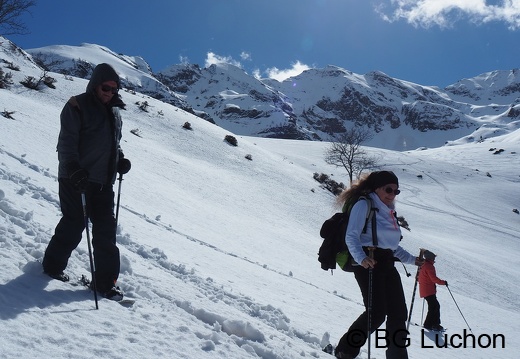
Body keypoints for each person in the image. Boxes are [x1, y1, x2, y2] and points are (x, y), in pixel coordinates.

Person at [42, 63, 131, 301]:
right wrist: (73, 169)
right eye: (106, 87)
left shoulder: (114, 113)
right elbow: (66, 143)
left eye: (115, 89)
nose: (110, 92)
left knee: (106, 231)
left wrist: (120, 160)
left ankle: (105, 282)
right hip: (76, 179)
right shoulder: (76, 106)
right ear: (95, 84)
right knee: (74, 223)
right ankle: (52, 265)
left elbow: (113, 144)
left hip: (103, 182)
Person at [333, 171, 422, 359]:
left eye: (396, 191)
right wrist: (361, 258)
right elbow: (352, 236)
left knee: (398, 314)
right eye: (388, 189)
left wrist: (413, 260)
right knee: (376, 313)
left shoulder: (388, 211)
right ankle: (345, 351)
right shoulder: (364, 204)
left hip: (387, 263)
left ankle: (397, 356)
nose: (392, 194)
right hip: (368, 263)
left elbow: (391, 246)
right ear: (377, 188)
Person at [418, 250, 447, 331]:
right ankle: (431, 324)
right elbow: (433, 279)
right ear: (431, 258)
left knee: (434, 306)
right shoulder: (429, 266)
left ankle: (432, 324)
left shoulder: (424, 265)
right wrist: (443, 282)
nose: (434, 259)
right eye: (434, 257)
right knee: (434, 306)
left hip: (425, 289)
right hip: (428, 290)